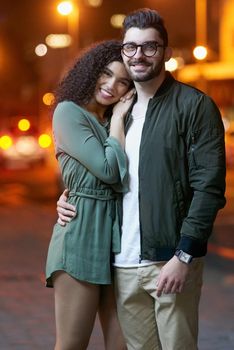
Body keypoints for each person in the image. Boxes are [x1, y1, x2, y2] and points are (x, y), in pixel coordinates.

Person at [57, 8, 226, 350]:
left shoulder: (193, 106)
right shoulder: (118, 114)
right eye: (131, 47)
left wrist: (184, 256)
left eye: (150, 47)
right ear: (123, 51)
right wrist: (66, 197)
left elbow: (208, 187)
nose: (139, 55)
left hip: (169, 260)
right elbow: (102, 174)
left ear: (166, 51)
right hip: (123, 264)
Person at [45, 39, 135, 350]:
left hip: (120, 243)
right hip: (81, 236)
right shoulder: (69, 113)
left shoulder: (110, 121)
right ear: (91, 72)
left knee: (123, 344)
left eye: (123, 82)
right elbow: (110, 172)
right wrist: (120, 122)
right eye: (106, 74)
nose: (112, 86)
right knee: (72, 344)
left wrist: (118, 122)